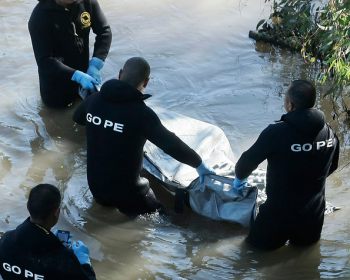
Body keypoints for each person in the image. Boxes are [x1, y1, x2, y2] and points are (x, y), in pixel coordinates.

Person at [73, 57, 215, 216]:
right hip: (130, 193)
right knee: (167, 220)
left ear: (120, 74)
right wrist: (199, 164)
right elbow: (171, 145)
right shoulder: (141, 114)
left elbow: (78, 118)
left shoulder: (94, 100)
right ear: (146, 83)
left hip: (96, 188)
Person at [234, 80, 340, 250]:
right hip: (313, 217)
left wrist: (239, 180)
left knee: (250, 256)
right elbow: (332, 166)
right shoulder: (329, 132)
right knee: (305, 268)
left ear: (290, 105)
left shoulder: (276, 132)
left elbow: (246, 162)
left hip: (277, 217)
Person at [0, 184, 96, 280]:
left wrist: (48, 238)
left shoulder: (5, 240)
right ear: (56, 213)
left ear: (28, 206)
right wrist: (85, 263)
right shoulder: (63, 258)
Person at [28, 0, 112, 108]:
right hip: (56, 87)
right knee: (57, 121)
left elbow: (104, 31)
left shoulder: (88, 3)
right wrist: (76, 76)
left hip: (85, 78)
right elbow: (44, 60)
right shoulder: (39, 17)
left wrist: (96, 63)